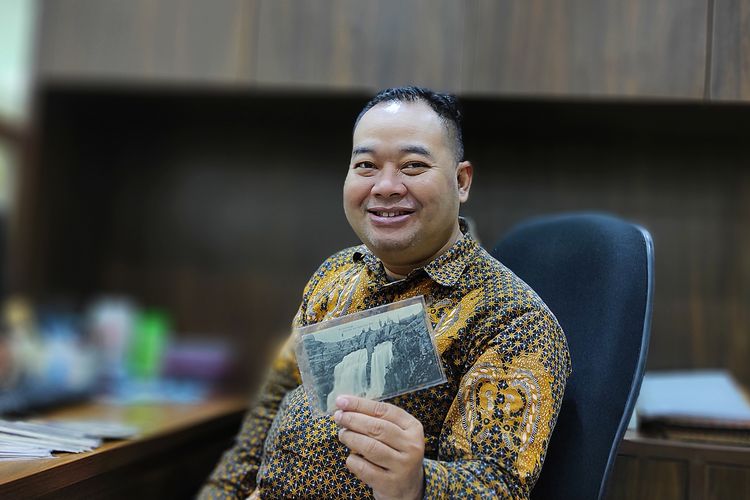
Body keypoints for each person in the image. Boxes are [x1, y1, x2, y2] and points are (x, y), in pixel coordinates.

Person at [200, 87, 571, 499]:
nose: (386, 186)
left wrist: (418, 484)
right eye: (366, 165)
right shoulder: (335, 277)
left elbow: (497, 487)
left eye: (413, 166)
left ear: (461, 181)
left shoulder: (512, 320)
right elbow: (272, 405)